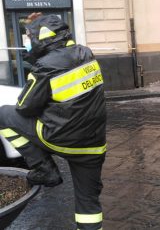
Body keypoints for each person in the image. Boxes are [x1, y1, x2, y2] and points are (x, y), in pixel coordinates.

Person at [0, 13, 106, 230]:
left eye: (30, 38)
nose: (28, 43)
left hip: (60, 139)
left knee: (3, 114)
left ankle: (44, 168)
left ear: (43, 38)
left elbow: (25, 106)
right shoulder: (86, 53)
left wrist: (35, 65)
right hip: (94, 146)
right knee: (88, 203)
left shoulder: (46, 66)